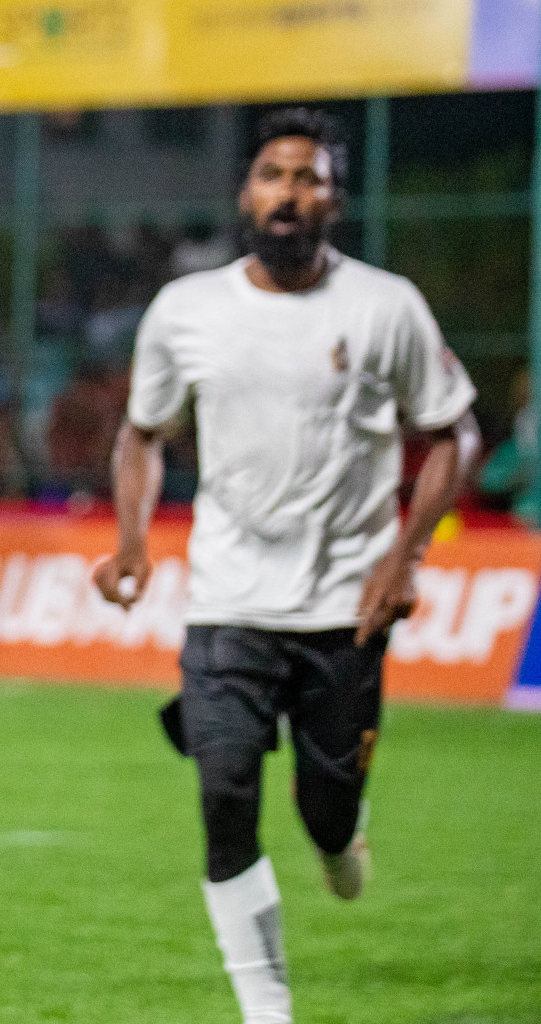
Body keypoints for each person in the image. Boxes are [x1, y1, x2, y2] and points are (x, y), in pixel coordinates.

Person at [93, 108, 479, 1024]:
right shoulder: (188, 309)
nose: (288, 192)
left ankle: (344, 842)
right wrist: (134, 540)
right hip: (228, 600)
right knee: (226, 792)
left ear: (334, 201)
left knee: (326, 814)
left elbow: (456, 429)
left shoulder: (387, 306)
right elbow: (143, 433)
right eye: (273, 175)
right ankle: (267, 1008)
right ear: (246, 193)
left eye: (308, 178)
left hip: (345, 606)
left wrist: (407, 552)